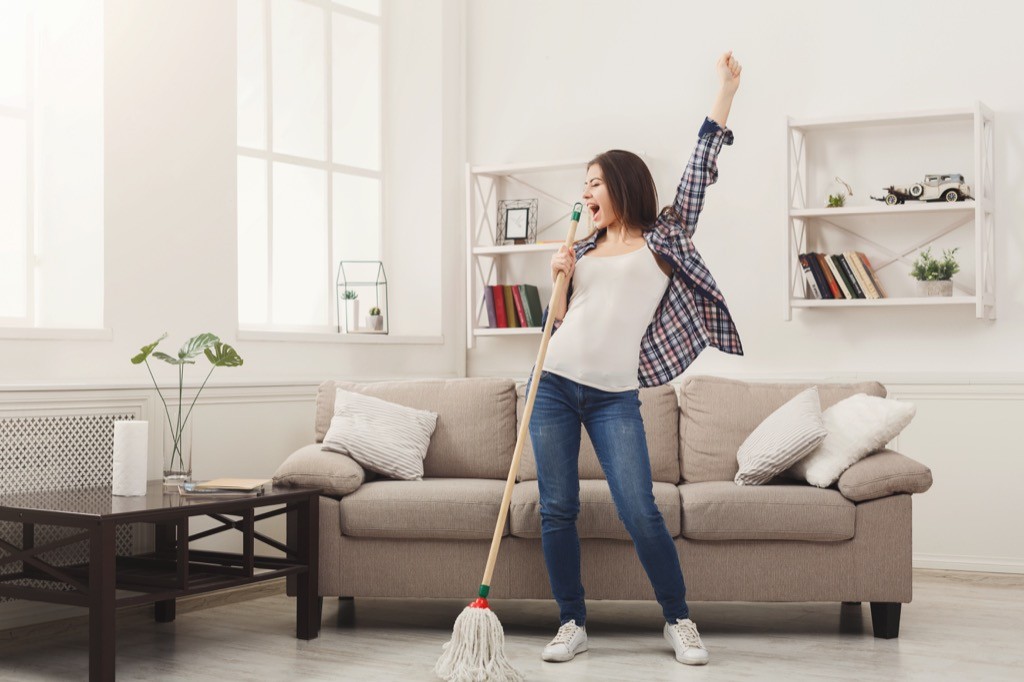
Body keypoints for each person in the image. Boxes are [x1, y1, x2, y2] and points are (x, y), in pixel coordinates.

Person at [524, 51, 744, 667]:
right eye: (584, 184)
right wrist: (560, 277)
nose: (586, 192)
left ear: (621, 186)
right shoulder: (581, 246)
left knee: (639, 507)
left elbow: (701, 167)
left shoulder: (665, 238)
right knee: (557, 507)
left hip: (615, 394)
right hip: (552, 383)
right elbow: (559, 323)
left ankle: (678, 619)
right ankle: (571, 621)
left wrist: (724, 90)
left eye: (594, 182)